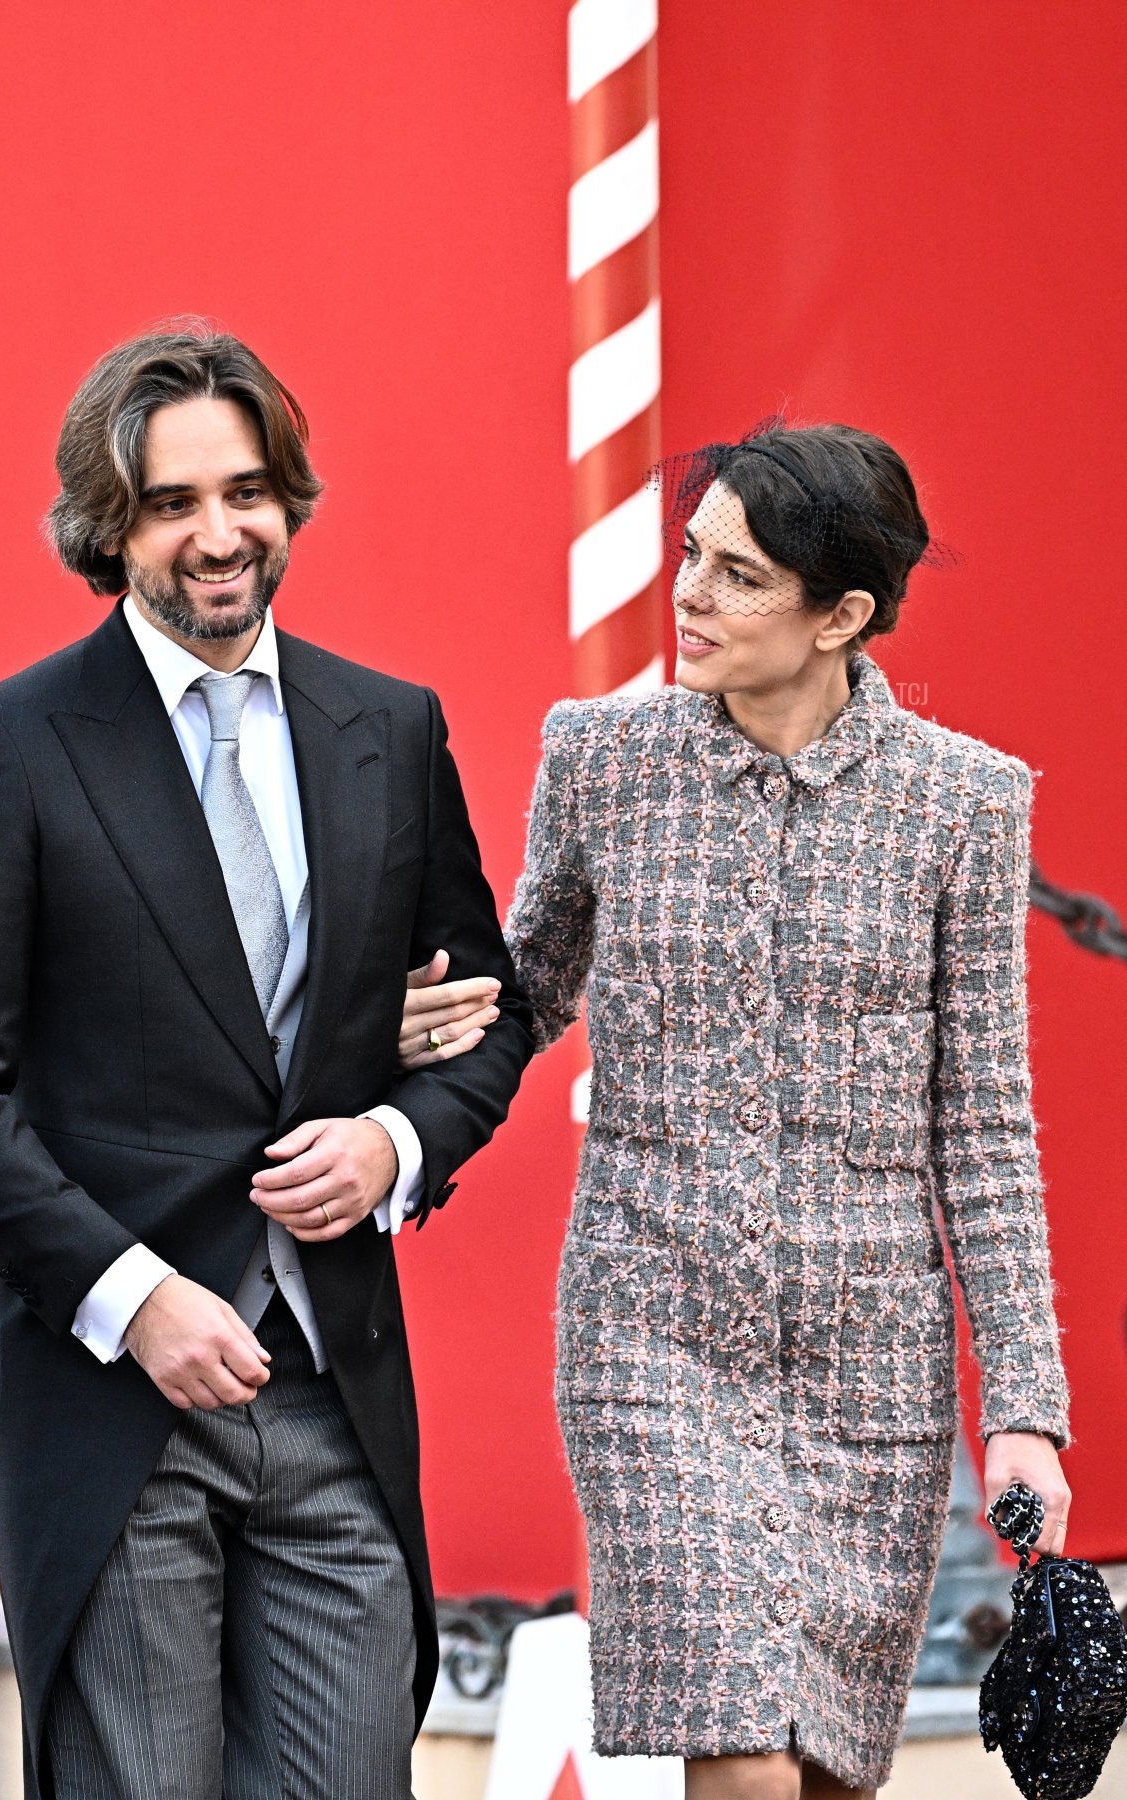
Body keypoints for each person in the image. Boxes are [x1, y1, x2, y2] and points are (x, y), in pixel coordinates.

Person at [399, 423, 1072, 1799]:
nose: (689, 598)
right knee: (747, 1762)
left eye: (738, 575)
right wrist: (405, 1057)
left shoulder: (965, 804)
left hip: (870, 1371)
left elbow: (985, 1127)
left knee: (825, 1771)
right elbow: (527, 990)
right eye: (691, 557)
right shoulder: (602, 759)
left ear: (845, 615)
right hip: (652, 1342)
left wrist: (1025, 1405)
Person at [0, 323, 533, 1800]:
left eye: (247, 492)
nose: (220, 536)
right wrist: (133, 1301)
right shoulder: (7, 747)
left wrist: (394, 1142)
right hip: (116, 1408)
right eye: (173, 504)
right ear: (107, 526)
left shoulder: (388, 727)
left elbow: (488, 1011)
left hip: (333, 1396)